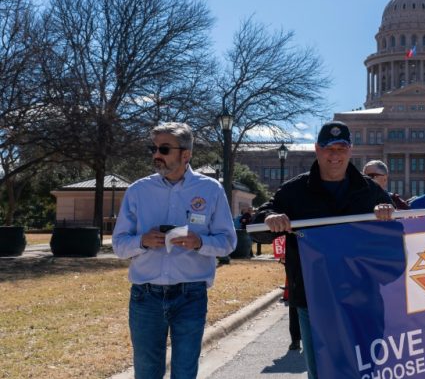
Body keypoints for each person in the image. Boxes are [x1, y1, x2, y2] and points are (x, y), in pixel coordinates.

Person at [253, 121, 394, 379]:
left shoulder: (370, 191)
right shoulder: (296, 190)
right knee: (322, 371)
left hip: (360, 298)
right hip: (314, 297)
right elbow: (258, 223)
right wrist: (270, 219)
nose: (335, 155)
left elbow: (393, 244)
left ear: (350, 151)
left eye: (341, 148)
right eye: (329, 148)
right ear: (317, 149)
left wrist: (385, 217)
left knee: (364, 369)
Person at [112, 122, 237, 379]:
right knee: (147, 372)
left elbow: (228, 242)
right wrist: (142, 241)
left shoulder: (210, 190)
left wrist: (199, 243)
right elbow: (119, 245)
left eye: (164, 149)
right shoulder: (138, 191)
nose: (157, 154)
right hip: (145, 297)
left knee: (184, 372)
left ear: (186, 154)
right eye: (154, 148)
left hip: (190, 295)